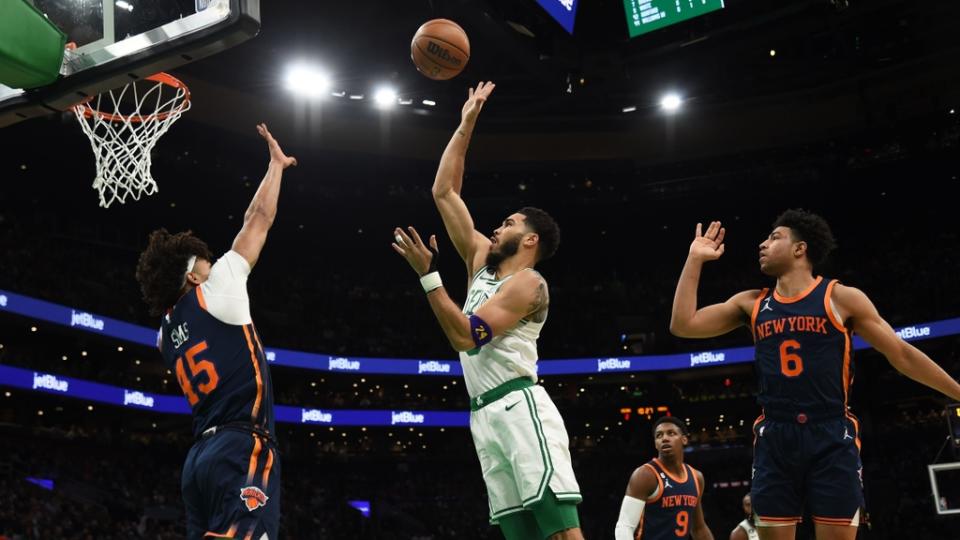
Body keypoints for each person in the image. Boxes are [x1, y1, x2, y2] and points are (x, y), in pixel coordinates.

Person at [669, 209, 960, 540]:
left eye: (774, 237)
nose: (762, 244)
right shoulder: (751, 303)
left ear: (800, 249)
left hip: (832, 434)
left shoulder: (840, 298)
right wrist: (694, 260)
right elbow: (683, 325)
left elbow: (902, 354)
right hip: (776, 436)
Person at [390, 81, 583, 540]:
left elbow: (464, 336)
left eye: (510, 224)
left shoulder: (529, 284)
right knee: (520, 534)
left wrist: (428, 277)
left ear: (530, 240)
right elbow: (443, 191)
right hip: (483, 415)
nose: (497, 228)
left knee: (559, 533)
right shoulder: (480, 261)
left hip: (520, 406)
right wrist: (466, 121)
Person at [135, 123, 297, 540]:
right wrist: (276, 167)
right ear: (192, 277)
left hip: (199, 461)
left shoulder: (164, 332)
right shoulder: (215, 289)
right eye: (204, 261)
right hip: (239, 445)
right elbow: (258, 219)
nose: (213, 262)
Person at [614, 417, 714, 540]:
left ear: (684, 439)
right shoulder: (645, 475)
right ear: (656, 444)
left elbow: (699, 528)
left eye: (671, 433)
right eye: (659, 435)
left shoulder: (696, 477)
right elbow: (624, 526)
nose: (665, 438)